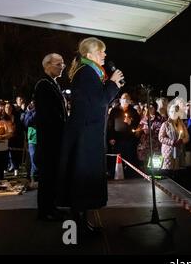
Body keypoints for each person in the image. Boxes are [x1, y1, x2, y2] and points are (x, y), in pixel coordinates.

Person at [57, 37, 124, 234]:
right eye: (101, 51)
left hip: (86, 134)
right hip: (85, 137)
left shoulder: (90, 73)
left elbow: (97, 101)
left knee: (83, 178)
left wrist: (112, 85)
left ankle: (81, 221)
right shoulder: (87, 73)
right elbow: (99, 101)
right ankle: (78, 225)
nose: (105, 55)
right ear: (89, 55)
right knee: (82, 177)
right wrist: (112, 84)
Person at [33, 53, 68, 221]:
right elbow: (48, 115)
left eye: (62, 63)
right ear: (47, 65)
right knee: (47, 177)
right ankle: (45, 211)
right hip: (49, 141)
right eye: (58, 64)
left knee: (52, 176)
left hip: (55, 139)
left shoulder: (52, 83)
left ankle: (51, 207)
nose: (62, 66)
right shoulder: (43, 85)